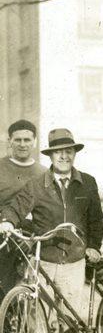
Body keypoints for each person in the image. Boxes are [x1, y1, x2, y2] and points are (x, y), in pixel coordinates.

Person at [0, 128, 103, 333]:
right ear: (51, 155)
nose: (64, 156)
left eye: (69, 151)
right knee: (41, 319)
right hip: (44, 257)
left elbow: (96, 220)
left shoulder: (88, 183)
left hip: (74, 259)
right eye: (59, 152)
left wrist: (93, 247)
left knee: (69, 317)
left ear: (74, 154)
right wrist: (8, 222)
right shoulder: (37, 185)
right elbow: (17, 206)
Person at [0, 120, 46, 295]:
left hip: (33, 241)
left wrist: (34, 238)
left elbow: (47, 211)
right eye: (17, 140)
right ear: (9, 140)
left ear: (34, 141)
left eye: (27, 140)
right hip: (3, 237)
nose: (22, 144)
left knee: (31, 295)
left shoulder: (43, 173)